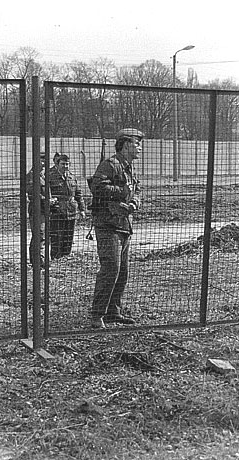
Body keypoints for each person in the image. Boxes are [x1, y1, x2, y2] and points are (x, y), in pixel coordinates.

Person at [89, 128, 144, 329]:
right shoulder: (110, 164)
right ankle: (97, 315)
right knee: (111, 268)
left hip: (123, 223)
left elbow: (137, 189)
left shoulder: (129, 167)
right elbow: (97, 187)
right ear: (126, 144)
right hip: (107, 224)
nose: (139, 147)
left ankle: (113, 312)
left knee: (122, 272)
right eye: (136, 144)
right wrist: (122, 192)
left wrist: (134, 203)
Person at [49, 154, 86, 259]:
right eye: (63, 164)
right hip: (57, 210)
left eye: (67, 164)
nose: (65, 166)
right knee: (57, 236)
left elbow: (78, 194)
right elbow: (48, 193)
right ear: (57, 164)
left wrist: (82, 209)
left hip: (71, 210)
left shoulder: (72, 177)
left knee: (69, 235)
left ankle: (66, 256)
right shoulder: (50, 176)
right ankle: (56, 257)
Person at [26, 152, 49, 269]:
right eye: (41, 160)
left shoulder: (44, 174)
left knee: (42, 235)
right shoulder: (32, 175)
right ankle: (37, 262)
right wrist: (47, 199)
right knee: (39, 234)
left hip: (45, 209)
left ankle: (40, 260)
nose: (44, 163)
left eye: (45, 160)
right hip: (36, 209)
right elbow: (32, 193)